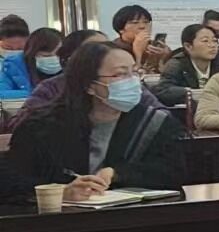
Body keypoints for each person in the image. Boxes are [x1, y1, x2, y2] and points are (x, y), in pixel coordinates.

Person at [4, 41, 187, 202]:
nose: (132, 81)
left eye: (134, 72)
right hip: (59, 221)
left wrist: (118, 174)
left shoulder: (154, 122)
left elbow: (175, 172)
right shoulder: (40, 127)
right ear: (90, 85)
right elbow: (12, 182)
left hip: (136, 218)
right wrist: (61, 192)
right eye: (120, 74)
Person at [17, 30, 124, 119]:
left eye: (108, 47)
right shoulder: (52, 87)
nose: (106, 53)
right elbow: (20, 122)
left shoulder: (121, 83)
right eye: (96, 49)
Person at [157, 22, 219, 103]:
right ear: (188, 46)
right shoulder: (176, 64)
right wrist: (191, 93)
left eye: (215, 41)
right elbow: (163, 90)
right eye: (205, 41)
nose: (213, 45)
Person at [0, 26, 61, 98]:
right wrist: (40, 93)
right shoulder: (13, 66)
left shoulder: (70, 65)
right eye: (46, 56)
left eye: (58, 54)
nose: (54, 58)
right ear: (32, 54)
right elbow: (2, 93)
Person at [111, 4, 171, 74]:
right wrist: (138, 54)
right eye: (135, 22)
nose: (142, 26)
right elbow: (127, 76)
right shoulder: (112, 50)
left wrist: (166, 58)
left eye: (146, 22)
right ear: (121, 29)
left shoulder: (153, 46)